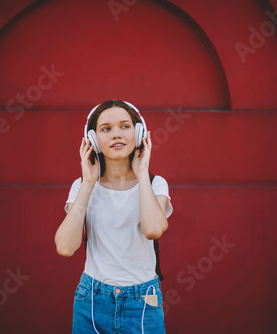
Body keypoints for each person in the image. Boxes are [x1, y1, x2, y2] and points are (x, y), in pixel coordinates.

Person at [54, 100, 173, 333]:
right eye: (106, 129)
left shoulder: (154, 183)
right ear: (93, 139)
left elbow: (153, 230)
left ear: (139, 133)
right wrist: (88, 182)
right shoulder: (82, 186)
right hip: (92, 299)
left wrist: (141, 173)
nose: (116, 134)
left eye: (125, 126)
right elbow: (65, 247)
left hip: (143, 300)